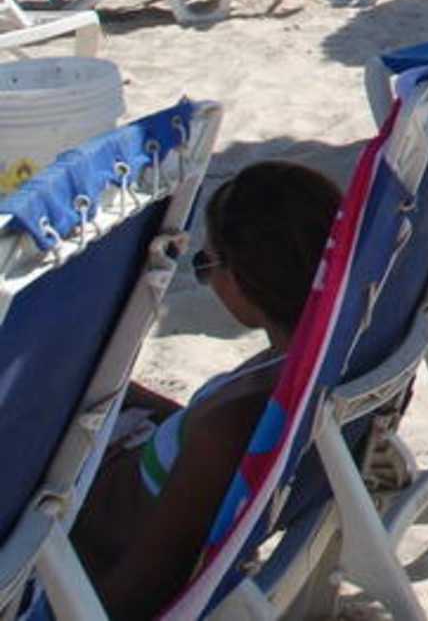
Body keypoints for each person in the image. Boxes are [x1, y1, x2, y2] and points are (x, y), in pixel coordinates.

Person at [71, 161, 344, 620]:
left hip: (74, 536)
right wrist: (120, 393)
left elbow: (141, 588)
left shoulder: (229, 428)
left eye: (206, 265)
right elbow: (191, 435)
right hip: (122, 459)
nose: (209, 279)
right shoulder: (303, 367)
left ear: (242, 278)